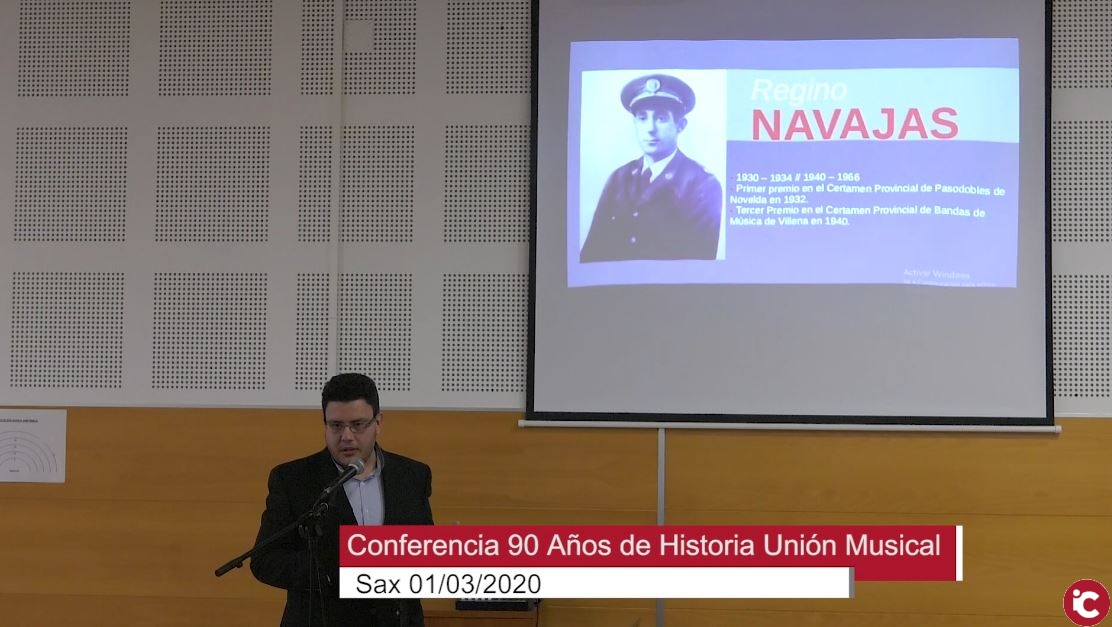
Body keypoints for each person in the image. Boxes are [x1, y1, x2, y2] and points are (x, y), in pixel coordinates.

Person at [251, 373, 433, 627]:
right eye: (336, 425)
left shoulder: (412, 475)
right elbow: (265, 560)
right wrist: (332, 569)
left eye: (358, 425)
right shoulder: (293, 479)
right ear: (325, 424)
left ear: (378, 423)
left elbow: (423, 552)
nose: (346, 436)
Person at [580, 73, 723, 263]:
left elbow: (696, 267)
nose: (650, 128)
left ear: (680, 126)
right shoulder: (619, 178)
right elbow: (591, 253)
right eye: (642, 118)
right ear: (635, 123)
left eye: (661, 118)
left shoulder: (702, 185)